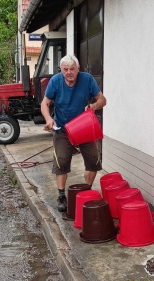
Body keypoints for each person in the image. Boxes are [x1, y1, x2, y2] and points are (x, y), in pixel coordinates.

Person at [40, 55, 107, 212]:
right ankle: (62, 196)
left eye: (72, 69)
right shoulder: (55, 81)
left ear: (78, 69)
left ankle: (86, 191)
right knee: (61, 161)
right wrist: (49, 119)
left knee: (93, 160)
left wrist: (94, 105)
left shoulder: (87, 79)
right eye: (65, 69)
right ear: (61, 70)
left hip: (84, 128)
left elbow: (103, 100)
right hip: (62, 128)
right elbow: (45, 103)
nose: (69, 72)